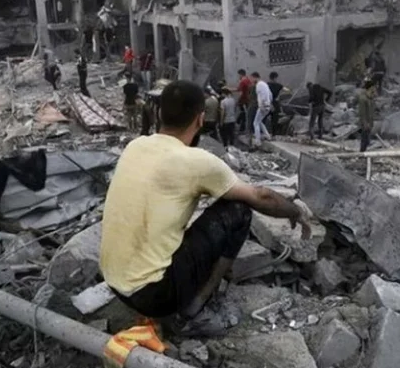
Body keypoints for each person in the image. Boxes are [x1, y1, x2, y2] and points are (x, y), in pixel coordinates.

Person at [99, 80, 312, 335]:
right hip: (155, 296)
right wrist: (295, 211)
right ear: (200, 119)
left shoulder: (135, 146)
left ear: (159, 112)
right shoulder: (197, 161)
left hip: (114, 283)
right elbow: (261, 196)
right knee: (238, 210)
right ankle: (196, 307)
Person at [251, 72, 272, 147]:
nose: (252, 80)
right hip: (267, 105)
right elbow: (270, 95)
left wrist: (261, 106)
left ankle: (258, 141)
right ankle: (268, 136)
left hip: (263, 106)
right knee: (259, 121)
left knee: (255, 123)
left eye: (252, 78)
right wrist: (269, 103)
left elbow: (261, 97)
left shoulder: (259, 85)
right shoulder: (265, 84)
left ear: (255, 77)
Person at [358, 78, 376, 152]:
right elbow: (362, 113)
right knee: (364, 140)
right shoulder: (363, 99)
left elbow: (372, 111)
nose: (374, 89)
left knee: (367, 140)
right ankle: (361, 154)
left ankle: (364, 153)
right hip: (365, 123)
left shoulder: (370, 98)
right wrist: (365, 123)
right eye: (373, 87)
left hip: (370, 122)